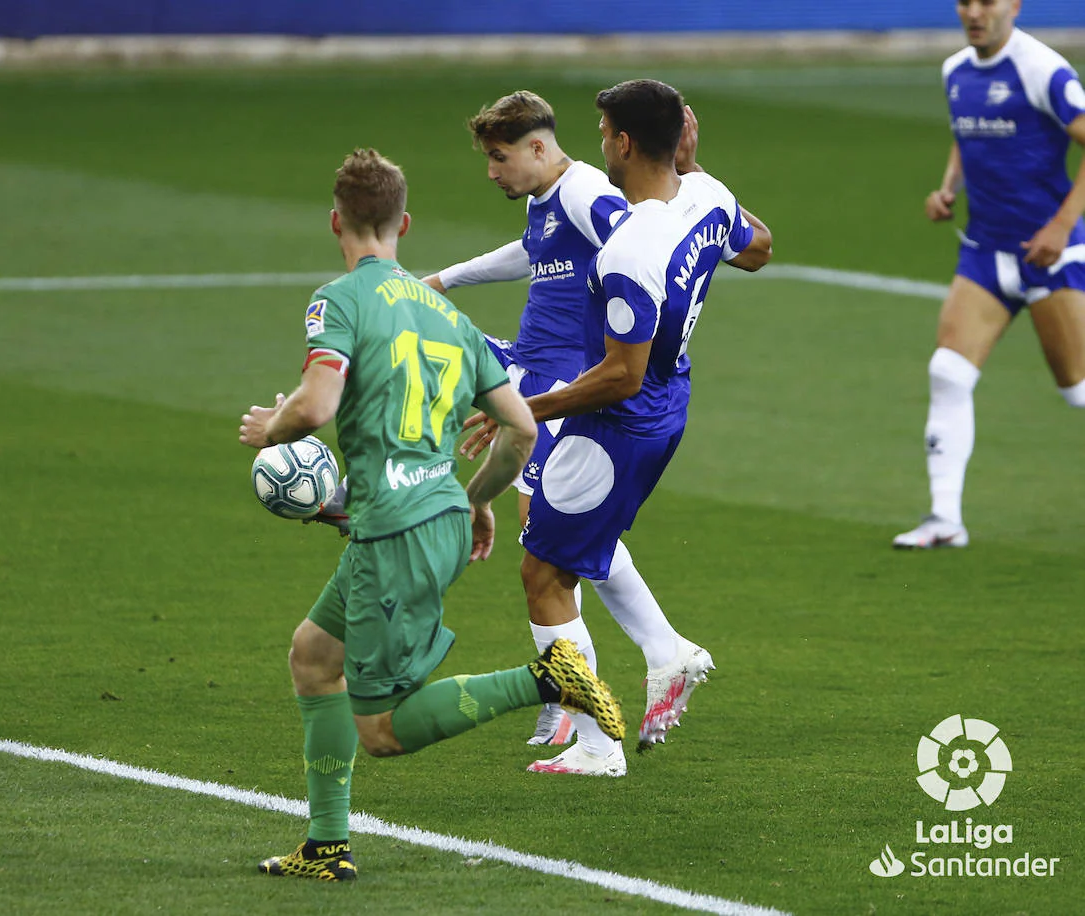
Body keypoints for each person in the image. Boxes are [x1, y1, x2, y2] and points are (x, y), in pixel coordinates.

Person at [238, 149, 624, 881]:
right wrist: (476, 501)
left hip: (396, 533)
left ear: (336, 222)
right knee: (314, 657)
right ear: (405, 225)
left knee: (380, 729)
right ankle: (326, 844)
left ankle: (549, 677)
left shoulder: (340, 299)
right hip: (435, 514)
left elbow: (317, 405)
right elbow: (520, 430)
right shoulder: (448, 314)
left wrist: (275, 429)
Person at [462, 79, 773, 763]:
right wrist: (690, 171)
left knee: (543, 576)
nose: (595, 144)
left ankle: (596, 741)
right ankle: (666, 654)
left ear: (624, 143)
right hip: (668, 404)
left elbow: (619, 375)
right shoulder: (708, 195)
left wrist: (522, 412)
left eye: (602, 133)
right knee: (563, 551)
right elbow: (761, 248)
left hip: (619, 424)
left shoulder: (630, 251)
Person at [422, 90, 712, 776]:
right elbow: (531, 253)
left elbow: (642, 241)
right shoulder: (547, 201)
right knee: (561, 541)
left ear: (538, 149)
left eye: (499, 158)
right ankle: (656, 654)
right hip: (534, 371)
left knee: (545, 549)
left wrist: (617, 355)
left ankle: (582, 720)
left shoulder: (585, 192)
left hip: (569, 385)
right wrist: (443, 279)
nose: (492, 171)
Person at [894, 0, 1085, 549]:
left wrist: (1060, 226)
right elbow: (966, 133)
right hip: (984, 253)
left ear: (1014, 6)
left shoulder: (1043, 70)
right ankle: (944, 519)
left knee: (1077, 391)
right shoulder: (955, 70)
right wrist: (949, 186)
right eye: (966, 2)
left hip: (1049, 255)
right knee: (948, 373)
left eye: (988, 1)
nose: (975, 12)